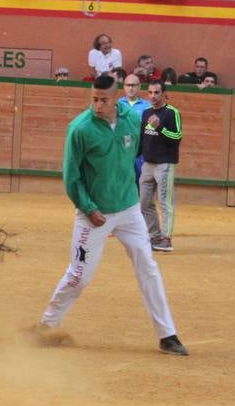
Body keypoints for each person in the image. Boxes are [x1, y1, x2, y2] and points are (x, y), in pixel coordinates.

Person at [35, 74, 187, 357]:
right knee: (79, 275)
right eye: (93, 99)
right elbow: (71, 176)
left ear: (116, 97)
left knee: (148, 266)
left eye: (103, 100)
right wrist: (89, 208)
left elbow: (137, 152)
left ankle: (167, 335)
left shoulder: (131, 120)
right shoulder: (79, 129)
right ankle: (46, 324)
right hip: (94, 213)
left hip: (128, 209)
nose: (97, 105)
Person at [138, 80, 181, 254]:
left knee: (165, 202)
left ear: (164, 94)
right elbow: (142, 137)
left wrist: (160, 127)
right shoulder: (146, 112)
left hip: (164, 163)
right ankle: (155, 236)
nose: (153, 96)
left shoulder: (172, 112)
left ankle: (166, 238)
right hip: (147, 164)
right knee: (144, 202)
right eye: (150, 93)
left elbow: (177, 136)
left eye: (156, 93)